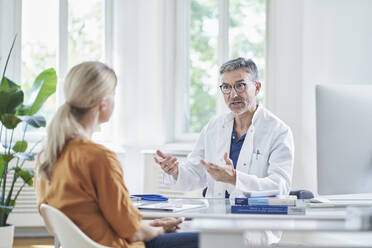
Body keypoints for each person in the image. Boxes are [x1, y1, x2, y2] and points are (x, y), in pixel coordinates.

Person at [34, 61, 199, 248]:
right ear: (103, 103)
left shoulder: (47, 156)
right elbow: (133, 233)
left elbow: (109, 223)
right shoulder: (98, 157)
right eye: (113, 94)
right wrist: (160, 229)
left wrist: (152, 226)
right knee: (208, 239)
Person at [154, 57, 294, 245]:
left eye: (240, 85)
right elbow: (195, 174)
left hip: (252, 229)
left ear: (257, 87)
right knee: (157, 237)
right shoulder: (214, 128)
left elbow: (279, 187)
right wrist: (175, 171)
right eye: (226, 87)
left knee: (159, 244)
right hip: (214, 223)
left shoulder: (278, 131)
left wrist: (235, 178)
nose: (233, 94)